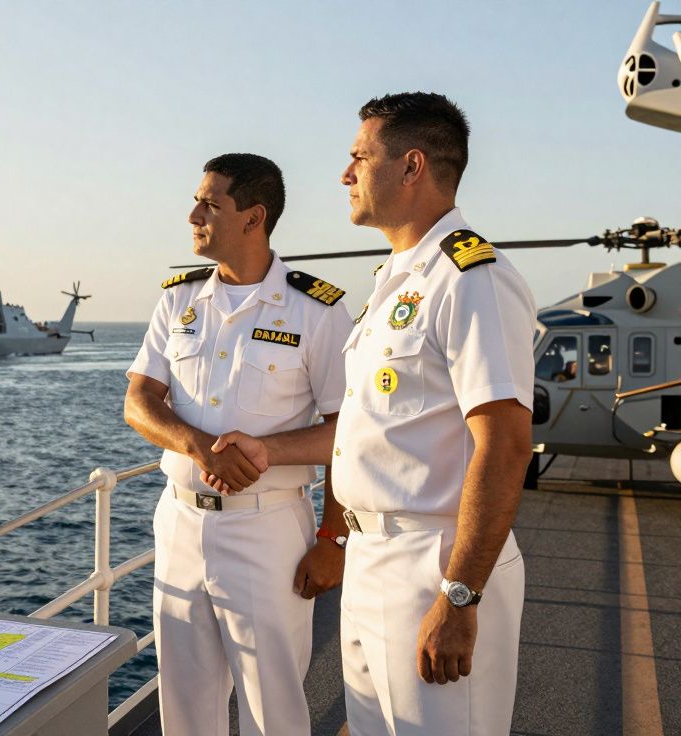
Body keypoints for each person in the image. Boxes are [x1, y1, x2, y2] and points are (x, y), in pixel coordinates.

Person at [210, 93, 536, 735]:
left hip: (433, 563)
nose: (345, 173)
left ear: (411, 166)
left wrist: (461, 595)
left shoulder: (470, 277)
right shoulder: (398, 281)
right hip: (368, 557)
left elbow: (505, 443)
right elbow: (370, 430)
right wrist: (270, 449)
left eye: (360, 156)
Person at [124, 153, 353, 736]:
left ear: (253, 218)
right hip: (179, 526)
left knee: (271, 710)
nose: (193, 213)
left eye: (210, 203)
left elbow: (348, 436)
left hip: (267, 530)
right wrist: (201, 447)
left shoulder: (316, 310)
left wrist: (333, 538)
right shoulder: (179, 300)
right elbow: (139, 402)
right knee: (184, 706)